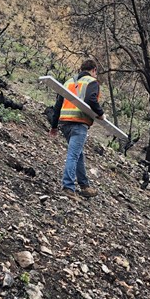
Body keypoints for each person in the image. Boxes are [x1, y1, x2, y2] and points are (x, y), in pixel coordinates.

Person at [49, 59, 104, 198]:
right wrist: (100, 113)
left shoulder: (68, 83)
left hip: (64, 124)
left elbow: (57, 106)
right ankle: (68, 187)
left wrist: (54, 126)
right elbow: (91, 99)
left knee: (78, 154)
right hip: (79, 124)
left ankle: (84, 185)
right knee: (73, 155)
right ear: (94, 70)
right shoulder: (91, 82)